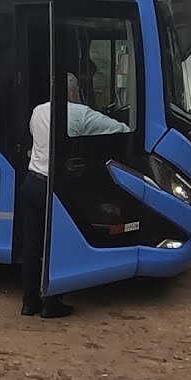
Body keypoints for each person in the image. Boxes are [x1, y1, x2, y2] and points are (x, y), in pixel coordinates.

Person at [19, 72, 130, 319]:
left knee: (32, 245)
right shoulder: (79, 113)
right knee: (56, 245)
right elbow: (120, 129)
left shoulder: (37, 111)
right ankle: (51, 301)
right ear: (71, 92)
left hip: (32, 182)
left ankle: (29, 301)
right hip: (54, 187)